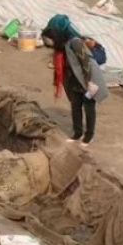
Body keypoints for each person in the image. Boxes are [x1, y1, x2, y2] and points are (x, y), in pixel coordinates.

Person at [42, 15, 108, 148]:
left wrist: (89, 83)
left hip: (86, 81)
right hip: (73, 81)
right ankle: (77, 133)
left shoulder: (76, 42)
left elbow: (86, 63)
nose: (48, 41)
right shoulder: (61, 46)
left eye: (49, 38)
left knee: (89, 108)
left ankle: (89, 135)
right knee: (75, 107)